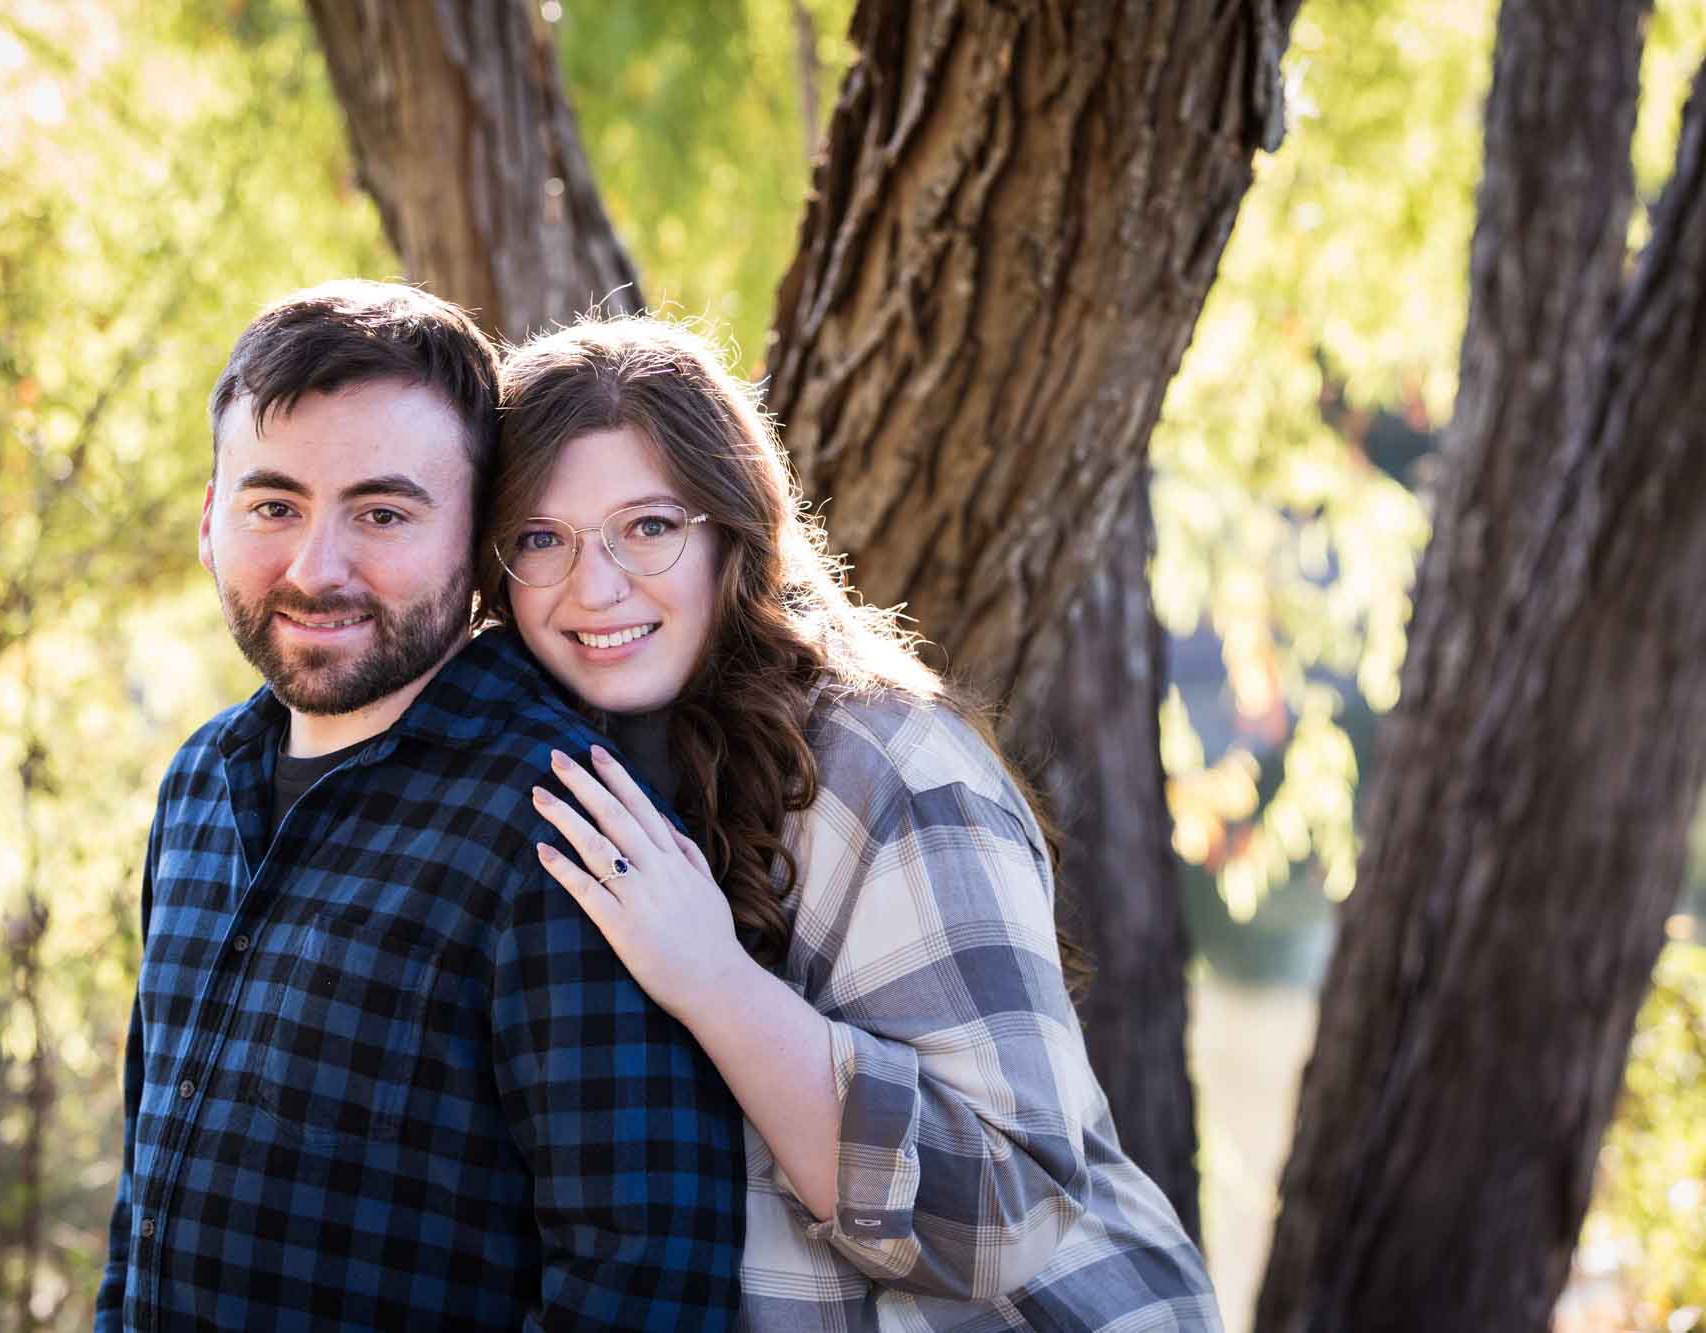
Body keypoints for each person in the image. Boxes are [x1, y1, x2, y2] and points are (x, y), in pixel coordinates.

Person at [482, 316, 1221, 1331]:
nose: (594, 584)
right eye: (540, 538)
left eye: (648, 526)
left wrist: (714, 982)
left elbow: (1004, 1211)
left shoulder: (887, 768)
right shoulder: (530, 777)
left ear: (728, 531)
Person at [96, 284, 745, 1332]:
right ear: (209, 520)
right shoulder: (196, 787)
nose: (318, 568)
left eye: (383, 512)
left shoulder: (560, 817)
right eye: (273, 505)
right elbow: (145, 1192)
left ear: (477, 543)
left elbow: (643, 1280)